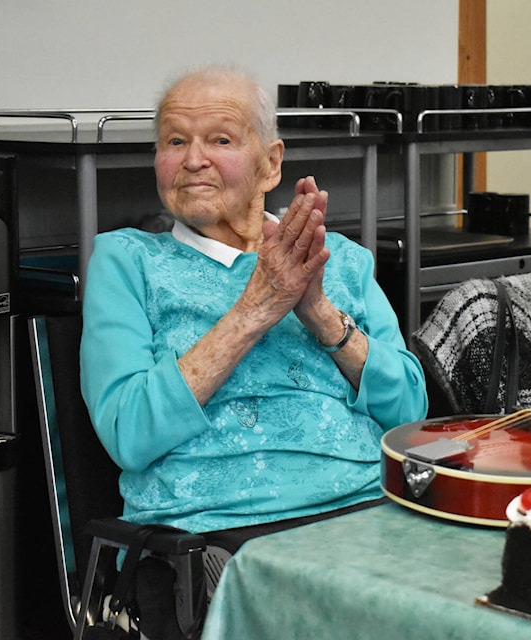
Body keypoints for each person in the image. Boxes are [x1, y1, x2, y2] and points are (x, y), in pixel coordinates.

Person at [79, 66, 429, 554]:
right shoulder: (129, 262)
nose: (193, 160)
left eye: (220, 140)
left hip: (367, 516)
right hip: (211, 540)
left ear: (271, 164)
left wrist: (320, 313)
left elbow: (410, 412)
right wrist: (254, 310)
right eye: (175, 142)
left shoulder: (338, 258)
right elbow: (130, 434)